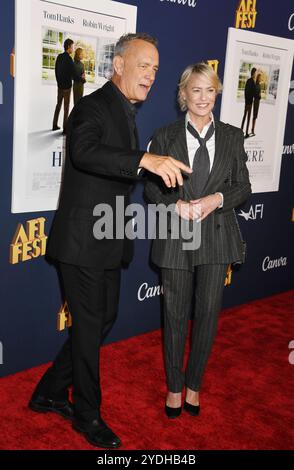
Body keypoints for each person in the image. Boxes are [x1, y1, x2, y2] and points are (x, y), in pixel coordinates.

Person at [29, 33, 191, 449]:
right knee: (88, 329)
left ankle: (48, 391)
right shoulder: (91, 106)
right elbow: (84, 152)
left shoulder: (124, 110)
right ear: (118, 65)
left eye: (156, 69)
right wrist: (143, 159)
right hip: (82, 241)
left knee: (101, 321)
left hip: (107, 237)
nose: (151, 75)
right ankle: (87, 416)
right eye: (143, 65)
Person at [145, 63, 251, 419]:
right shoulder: (164, 136)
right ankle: (175, 388)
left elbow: (242, 186)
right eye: (196, 90)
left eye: (209, 90)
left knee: (207, 315)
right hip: (177, 235)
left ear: (217, 93)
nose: (203, 97)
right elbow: (150, 189)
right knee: (174, 316)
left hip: (217, 237)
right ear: (183, 95)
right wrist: (175, 205)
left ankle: (194, 385)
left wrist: (216, 200)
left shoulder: (234, 137)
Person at [52, 38, 78, 134]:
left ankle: (54, 125)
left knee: (58, 105)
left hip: (60, 86)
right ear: (68, 47)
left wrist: (58, 82)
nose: (73, 49)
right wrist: (82, 79)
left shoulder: (59, 57)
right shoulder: (69, 60)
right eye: (72, 47)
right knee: (66, 108)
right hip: (67, 87)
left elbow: (56, 71)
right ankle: (65, 129)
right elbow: (74, 75)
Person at [241, 67, 256, 138]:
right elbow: (247, 92)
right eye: (255, 73)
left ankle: (243, 131)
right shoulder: (251, 81)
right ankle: (244, 132)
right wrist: (248, 101)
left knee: (246, 117)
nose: (255, 74)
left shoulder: (251, 81)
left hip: (249, 102)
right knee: (246, 117)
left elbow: (247, 91)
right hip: (248, 103)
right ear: (253, 73)